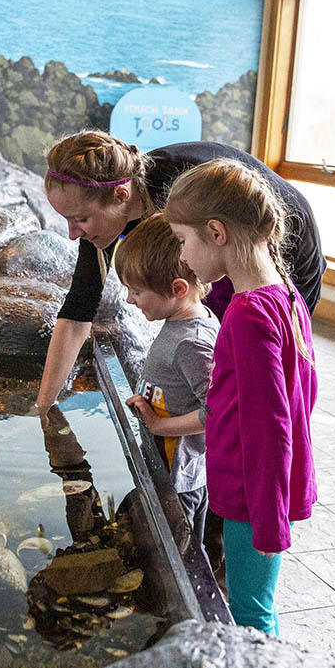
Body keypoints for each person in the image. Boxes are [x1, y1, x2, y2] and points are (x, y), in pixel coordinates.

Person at [34, 131, 323, 413]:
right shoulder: (107, 206)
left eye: (80, 219)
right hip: (220, 252)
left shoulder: (183, 188)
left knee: (256, 376)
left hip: (285, 249)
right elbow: (78, 311)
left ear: (121, 195)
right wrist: (44, 407)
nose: (72, 234)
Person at [163, 157, 318, 636]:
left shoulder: (247, 316)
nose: (183, 257)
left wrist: (270, 523)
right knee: (253, 603)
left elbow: (269, 428)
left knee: (252, 617)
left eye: (184, 241)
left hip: (253, 501)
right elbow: (302, 397)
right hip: (267, 490)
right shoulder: (284, 294)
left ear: (216, 232)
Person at [115, 214, 217, 554]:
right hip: (166, 470)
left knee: (179, 558)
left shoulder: (192, 342)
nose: (130, 299)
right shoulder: (182, 322)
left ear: (177, 289)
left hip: (180, 481)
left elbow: (217, 411)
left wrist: (161, 424)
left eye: (137, 291)